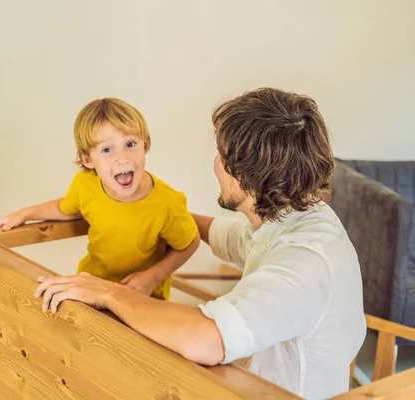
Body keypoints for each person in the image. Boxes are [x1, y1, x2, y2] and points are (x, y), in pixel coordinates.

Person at [34, 88, 367, 399]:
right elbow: (234, 238)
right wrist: (152, 211)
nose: (215, 164)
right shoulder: (292, 219)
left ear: (245, 176)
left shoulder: (305, 261)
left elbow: (204, 340)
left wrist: (108, 292)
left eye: (221, 156)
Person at [0, 98, 200, 301]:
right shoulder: (85, 185)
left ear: (145, 146)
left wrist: (153, 277)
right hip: (92, 284)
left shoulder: (166, 202)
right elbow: (66, 209)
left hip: (141, 296)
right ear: (88, 160)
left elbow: (190, 243)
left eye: (130, 144)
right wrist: (24, 214)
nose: (122, 158)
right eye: (107, 149)